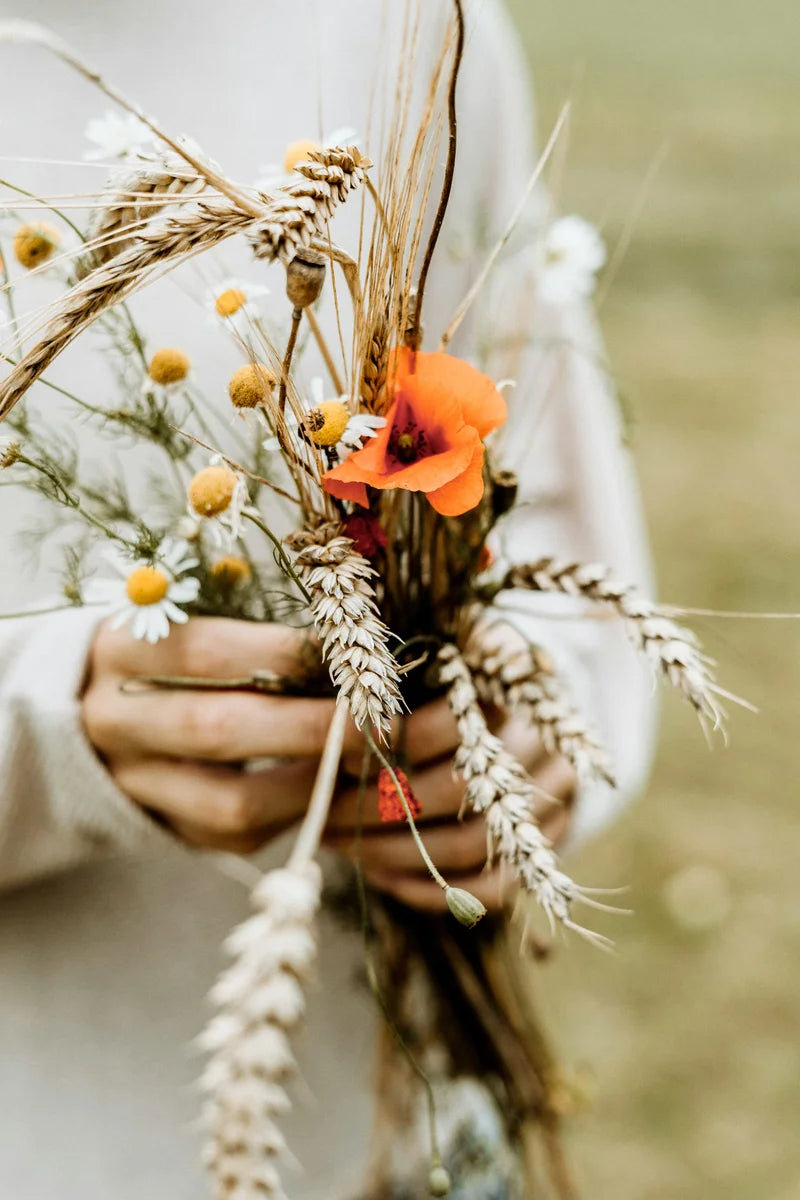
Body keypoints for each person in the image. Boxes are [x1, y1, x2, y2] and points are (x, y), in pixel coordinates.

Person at [0, 1, 656, 1196]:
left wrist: (528, 718)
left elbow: (539, 493)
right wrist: (52, 734)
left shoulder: (413, 23)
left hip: (394, 1129)